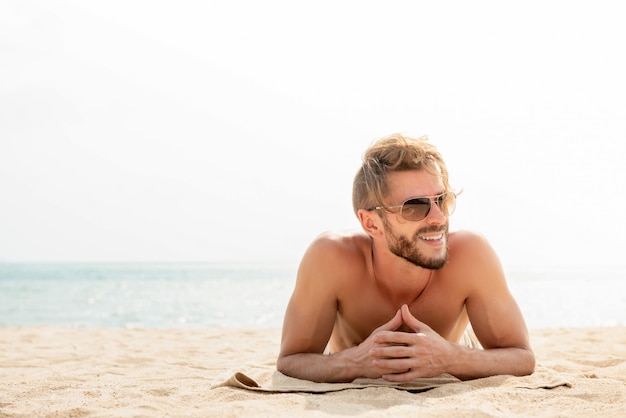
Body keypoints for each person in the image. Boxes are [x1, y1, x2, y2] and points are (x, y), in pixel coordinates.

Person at [277, 133, 535, 383]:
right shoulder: (331, 258)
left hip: (456, 351)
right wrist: (356, 362)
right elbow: (290, 361)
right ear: (371, 224)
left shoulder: (470, 255)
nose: (439, 218)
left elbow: (522, 357)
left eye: (442, 200)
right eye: (414, 206)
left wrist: (451, 359)